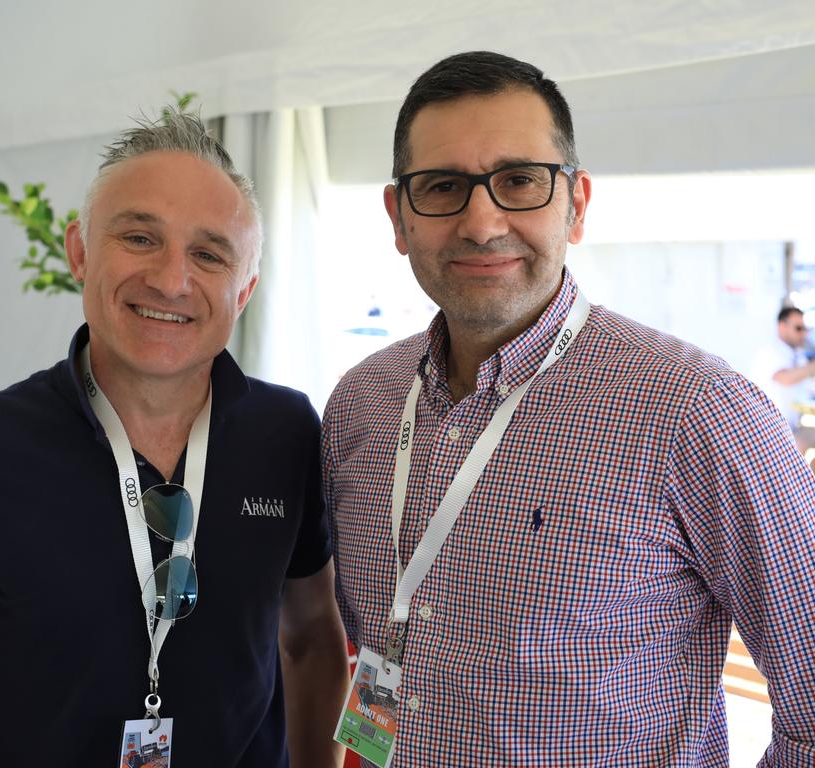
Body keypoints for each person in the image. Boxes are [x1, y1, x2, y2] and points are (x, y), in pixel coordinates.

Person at [322, 51, 815, 766]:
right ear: (400, 218)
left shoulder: (697, 410)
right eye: (443, 186)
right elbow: (373, 644)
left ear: (576, 204)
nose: (482, 222)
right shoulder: (361, 403)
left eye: (518, 181)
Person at [0, 113, 348, 767]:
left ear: (243, 289)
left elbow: (310, 641)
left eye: (209, 255)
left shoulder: (286, 432)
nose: (170, 279)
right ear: (80, 251)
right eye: (140, 237)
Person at [754, 306, 815, 452]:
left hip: (792, 427)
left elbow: (808, 385)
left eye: (805, 329)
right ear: (782, 326)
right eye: (798, 328)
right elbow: (785, 378)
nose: (804, 334)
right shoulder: (769, 352)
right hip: (769, 432)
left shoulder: (798, 354)